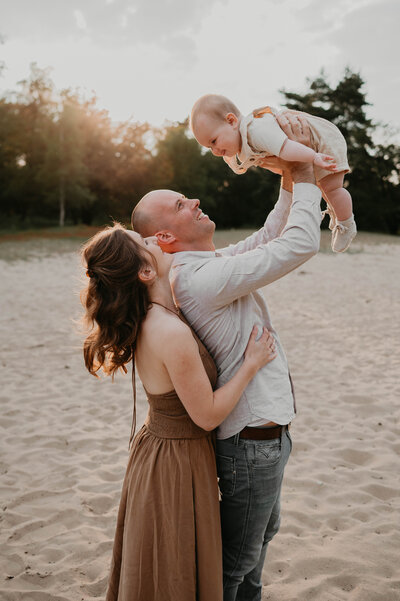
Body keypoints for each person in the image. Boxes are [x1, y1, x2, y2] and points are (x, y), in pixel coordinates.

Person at [131, 116, 322, 601]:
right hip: (252, 442)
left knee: (257, 545)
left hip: (265, 435)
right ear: (166, 239)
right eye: (180, 204)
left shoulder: (205, 267)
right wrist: (306, 178)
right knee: (236, 565)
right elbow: (298, 243)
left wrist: (285, 177)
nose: (194, 201)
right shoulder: (199, 280)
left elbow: (267, 236)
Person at [80, 222, 277, 601]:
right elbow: (206, 415)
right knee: (174, 564)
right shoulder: (168, 331)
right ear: (146, 271)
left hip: (160, 450)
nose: (155, 238)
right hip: (176, 459)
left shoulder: (155, 314)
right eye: (146, 242)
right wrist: (251, 364)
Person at [190, 93, 357, 253]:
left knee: (333, 189)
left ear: (231, 121)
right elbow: (276, 163)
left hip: (322, 140)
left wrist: (313, 157)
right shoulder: (244, 139)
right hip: (311, 146)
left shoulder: (255, 130)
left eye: (214, 141)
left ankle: (346, 223)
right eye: (209, 148)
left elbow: (286, 148)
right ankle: (338, 214)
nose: (215, 151)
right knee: (324, 187)